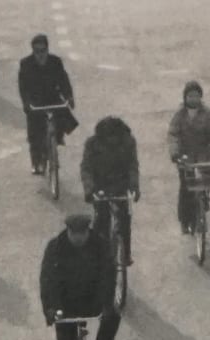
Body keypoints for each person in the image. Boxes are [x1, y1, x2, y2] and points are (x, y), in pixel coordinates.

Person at [39, 213, 121, 340]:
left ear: (87, 231)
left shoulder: (100, 245)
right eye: (74, 234)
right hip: (64, 306)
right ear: (67, 231)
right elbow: (47, 282)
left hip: (91, 301)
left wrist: (106, 303)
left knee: (113, 315)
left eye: (82, 234)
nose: (78, 238)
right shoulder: (55, 248)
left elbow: (108, 276)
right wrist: (50, 310)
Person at [167, 81, 210, 233]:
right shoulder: (179, 116)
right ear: (185, 97)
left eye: (196, 96)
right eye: (190, 96)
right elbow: (173, 135)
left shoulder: (208, 114)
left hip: (203, 154)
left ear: (201, 97)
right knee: (186, 189)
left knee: (207, 179)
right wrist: (175, 153)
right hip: (185, 157)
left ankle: (204, 199)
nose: (193, 99)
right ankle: (185, 221)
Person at [80, 117, 140, 264]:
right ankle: (97, 253)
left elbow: (133, 166)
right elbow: (86, 168)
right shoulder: (92, 144)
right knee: (101, 219)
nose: (112, 140)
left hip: (120, 185)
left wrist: (134, 186)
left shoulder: (128, 142)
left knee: (125, 219)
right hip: (100, 186)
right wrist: (89, 190)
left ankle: (126, 254)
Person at [17, 34, 77, 174]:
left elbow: (63, 80)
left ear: (47, 49)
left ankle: (58, 138)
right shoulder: (26, 64)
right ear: (33, 51)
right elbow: (23, 87)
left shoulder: (55, 62)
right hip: (35, 101)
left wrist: (69, 96)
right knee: (34, 132)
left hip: (52, 98)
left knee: (62, 116)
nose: (40, 55)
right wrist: (26, 103)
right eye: (37, 51)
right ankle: (36, 161)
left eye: (43, 50)